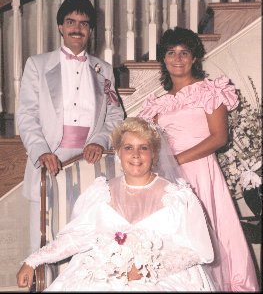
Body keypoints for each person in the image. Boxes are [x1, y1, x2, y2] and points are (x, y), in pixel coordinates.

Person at [17, 117, 217, 291]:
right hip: (103, 273)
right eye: (128, 148)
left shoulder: (177, 197)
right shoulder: (101, 193)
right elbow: (75, 239)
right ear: (119, 153)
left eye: (144, 148)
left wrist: (148, 268)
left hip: (162, 278)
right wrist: (33, 261)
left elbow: (196, 250)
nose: (136, 154)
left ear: (154, 154)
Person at [138, 26, 259, 291]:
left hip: (201, 172)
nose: (178, 58)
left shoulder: (210, 91)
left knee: (210, 231)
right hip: (169, 178)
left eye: (185, 52)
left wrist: (178, 160)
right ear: (163, 59)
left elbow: (219, 138)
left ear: (195, 58)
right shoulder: (159, 104)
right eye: (171, 52)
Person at [16, 0, 124, 254]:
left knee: (90, 239)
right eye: (71, 22)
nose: (77, 28)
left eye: (84, 24)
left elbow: (115, 115)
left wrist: (100, 141)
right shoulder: (38, 65)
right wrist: (42, 151)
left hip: (90, 163)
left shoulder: (104, 69)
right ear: (60, 27)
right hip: (49, 161)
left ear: (90, 30)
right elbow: (27, 115)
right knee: (45, 241)